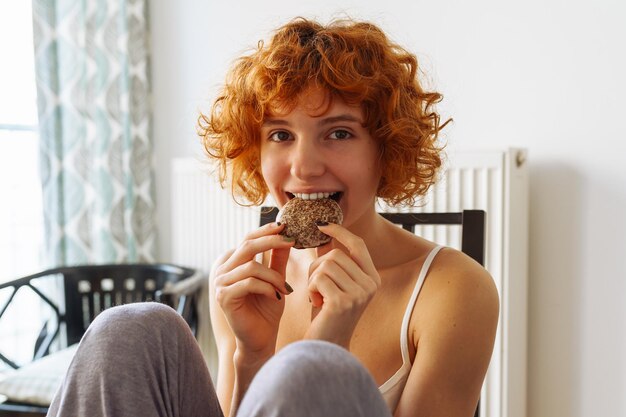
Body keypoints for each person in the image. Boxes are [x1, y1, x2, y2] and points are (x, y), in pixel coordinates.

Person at [47, 17, 498, 417]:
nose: (303, 166)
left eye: (339, 133)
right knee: (130, 328)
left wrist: (328, 348)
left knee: (310, 369)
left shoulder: (453, 290)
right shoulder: (246, 281)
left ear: (387, 147)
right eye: (280, 134)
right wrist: (253, 353)